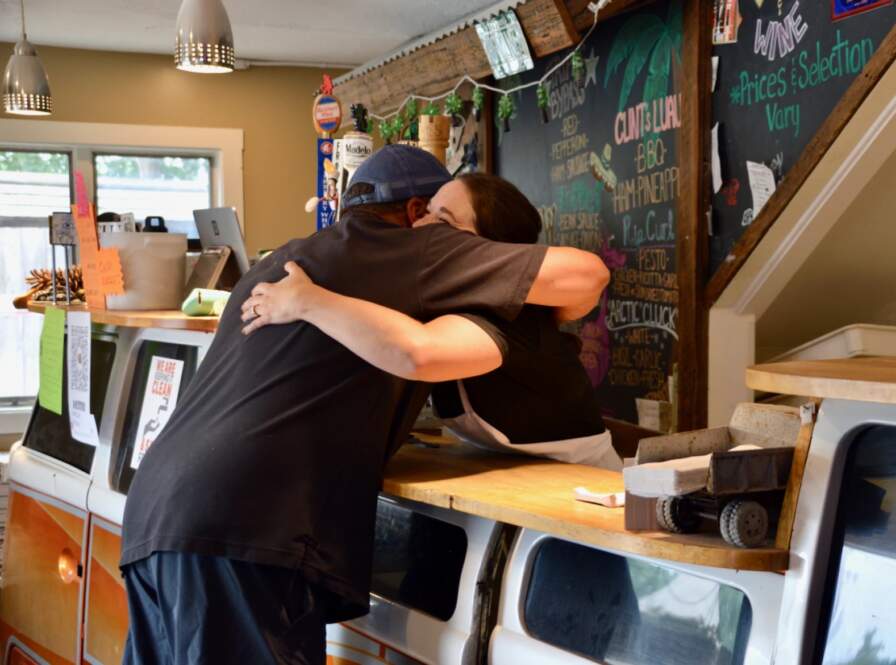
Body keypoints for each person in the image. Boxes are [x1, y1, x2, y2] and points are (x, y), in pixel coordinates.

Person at [118, 145, 609, 664]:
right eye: (434, 215)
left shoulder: (287, 258)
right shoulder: (410, 251)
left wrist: (314, 304)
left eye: (446, 221)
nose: (434, 232)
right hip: (241, 529)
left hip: (156, 510)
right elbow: (420, 350)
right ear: (415, 212)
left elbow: (386, 356)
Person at [240, 173, 621, 470]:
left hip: (580, 486)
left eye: (442, 220)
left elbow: (417, 352)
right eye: (425, 213)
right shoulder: (440, 296)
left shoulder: (501, 315)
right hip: (514, 475)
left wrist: (308, 302)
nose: (419, 227)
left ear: (488, 249)